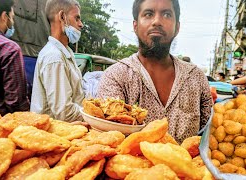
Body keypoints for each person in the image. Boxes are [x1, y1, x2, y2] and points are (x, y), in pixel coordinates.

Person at [97, 0, 213, 143]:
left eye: (166, 14)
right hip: (131, 165)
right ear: (135, 26)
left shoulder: (196, 77)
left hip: (187, 165)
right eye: (148, 14)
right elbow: (109, 141)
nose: (157, 21)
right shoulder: (115, 76)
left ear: (177, 27)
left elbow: (209, 136)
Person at [30, 0, 85, 122]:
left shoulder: (66, 52)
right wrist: (94, 117)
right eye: (77, 18)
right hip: (53, 135)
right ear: (62, 16)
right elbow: (64, 113)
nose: (81, 24)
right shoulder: (54, 57)